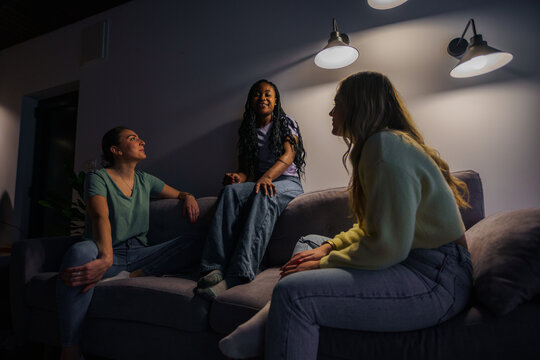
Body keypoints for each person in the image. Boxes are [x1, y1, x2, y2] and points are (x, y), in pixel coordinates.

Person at [218, 71, 473, 360]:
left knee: (292, 293)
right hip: (423, 264)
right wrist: (328, 248)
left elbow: (388, 247)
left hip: (436, 277)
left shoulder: (385, 147)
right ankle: (271, 315)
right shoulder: (381, 145)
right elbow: (369, 230)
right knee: (311, 242)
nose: (331, 111)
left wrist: (323, 263)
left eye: (337, 104)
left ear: (357, 106)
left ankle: (281, 306)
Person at [57, 126, 201, 360]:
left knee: (193, 242)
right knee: (77, 252)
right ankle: (70, 348)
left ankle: (131, 276)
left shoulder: (146, 180)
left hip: (137, 254)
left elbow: (179, 193)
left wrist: (189, 196)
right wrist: (105, 257)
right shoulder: (97, 177)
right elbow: (99, 216)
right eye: (133, 138)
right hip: (101, 247)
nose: (142, 141)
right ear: (116, 150)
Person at [195, 79, 306, 300]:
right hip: (261, 180)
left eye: (268, 94)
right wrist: (238, 178)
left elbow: (289, 155)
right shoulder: (247, 129)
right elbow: (246, 169)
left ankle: (240, 273)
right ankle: (213, 267)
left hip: (287, 183)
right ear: (250, 101)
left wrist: (265, 178)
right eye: (257, 94)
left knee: (263, 192)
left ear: (275, 102)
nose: (262, 97)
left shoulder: (286, 122)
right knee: (229, 192)